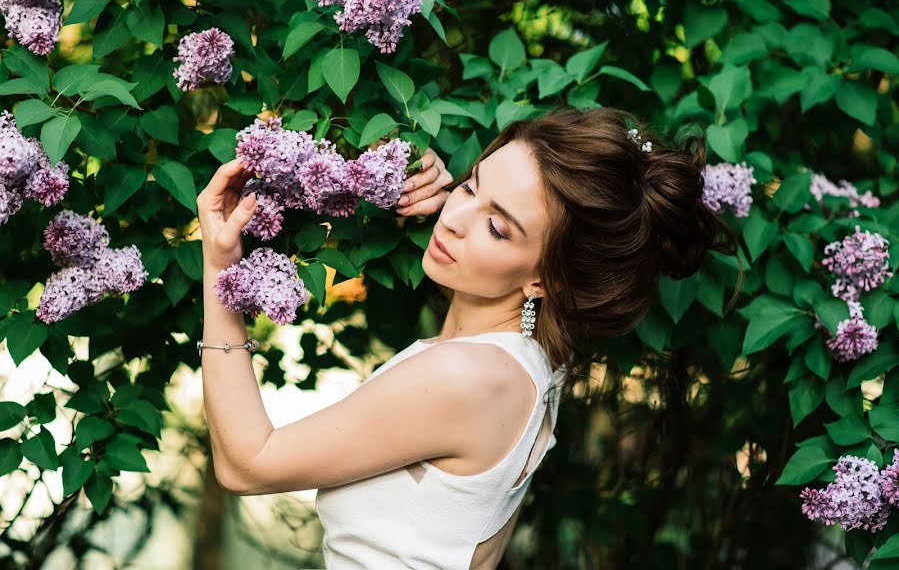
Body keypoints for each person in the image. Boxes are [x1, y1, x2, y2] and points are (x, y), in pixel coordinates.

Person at [196, 105, 743, 569]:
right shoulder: (524, 368)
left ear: (545, 279)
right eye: (469, 186)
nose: (455, 219)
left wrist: (223, 271)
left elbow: (248, 463)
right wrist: (408, 185)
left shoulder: (469, 377)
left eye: (498, 227)